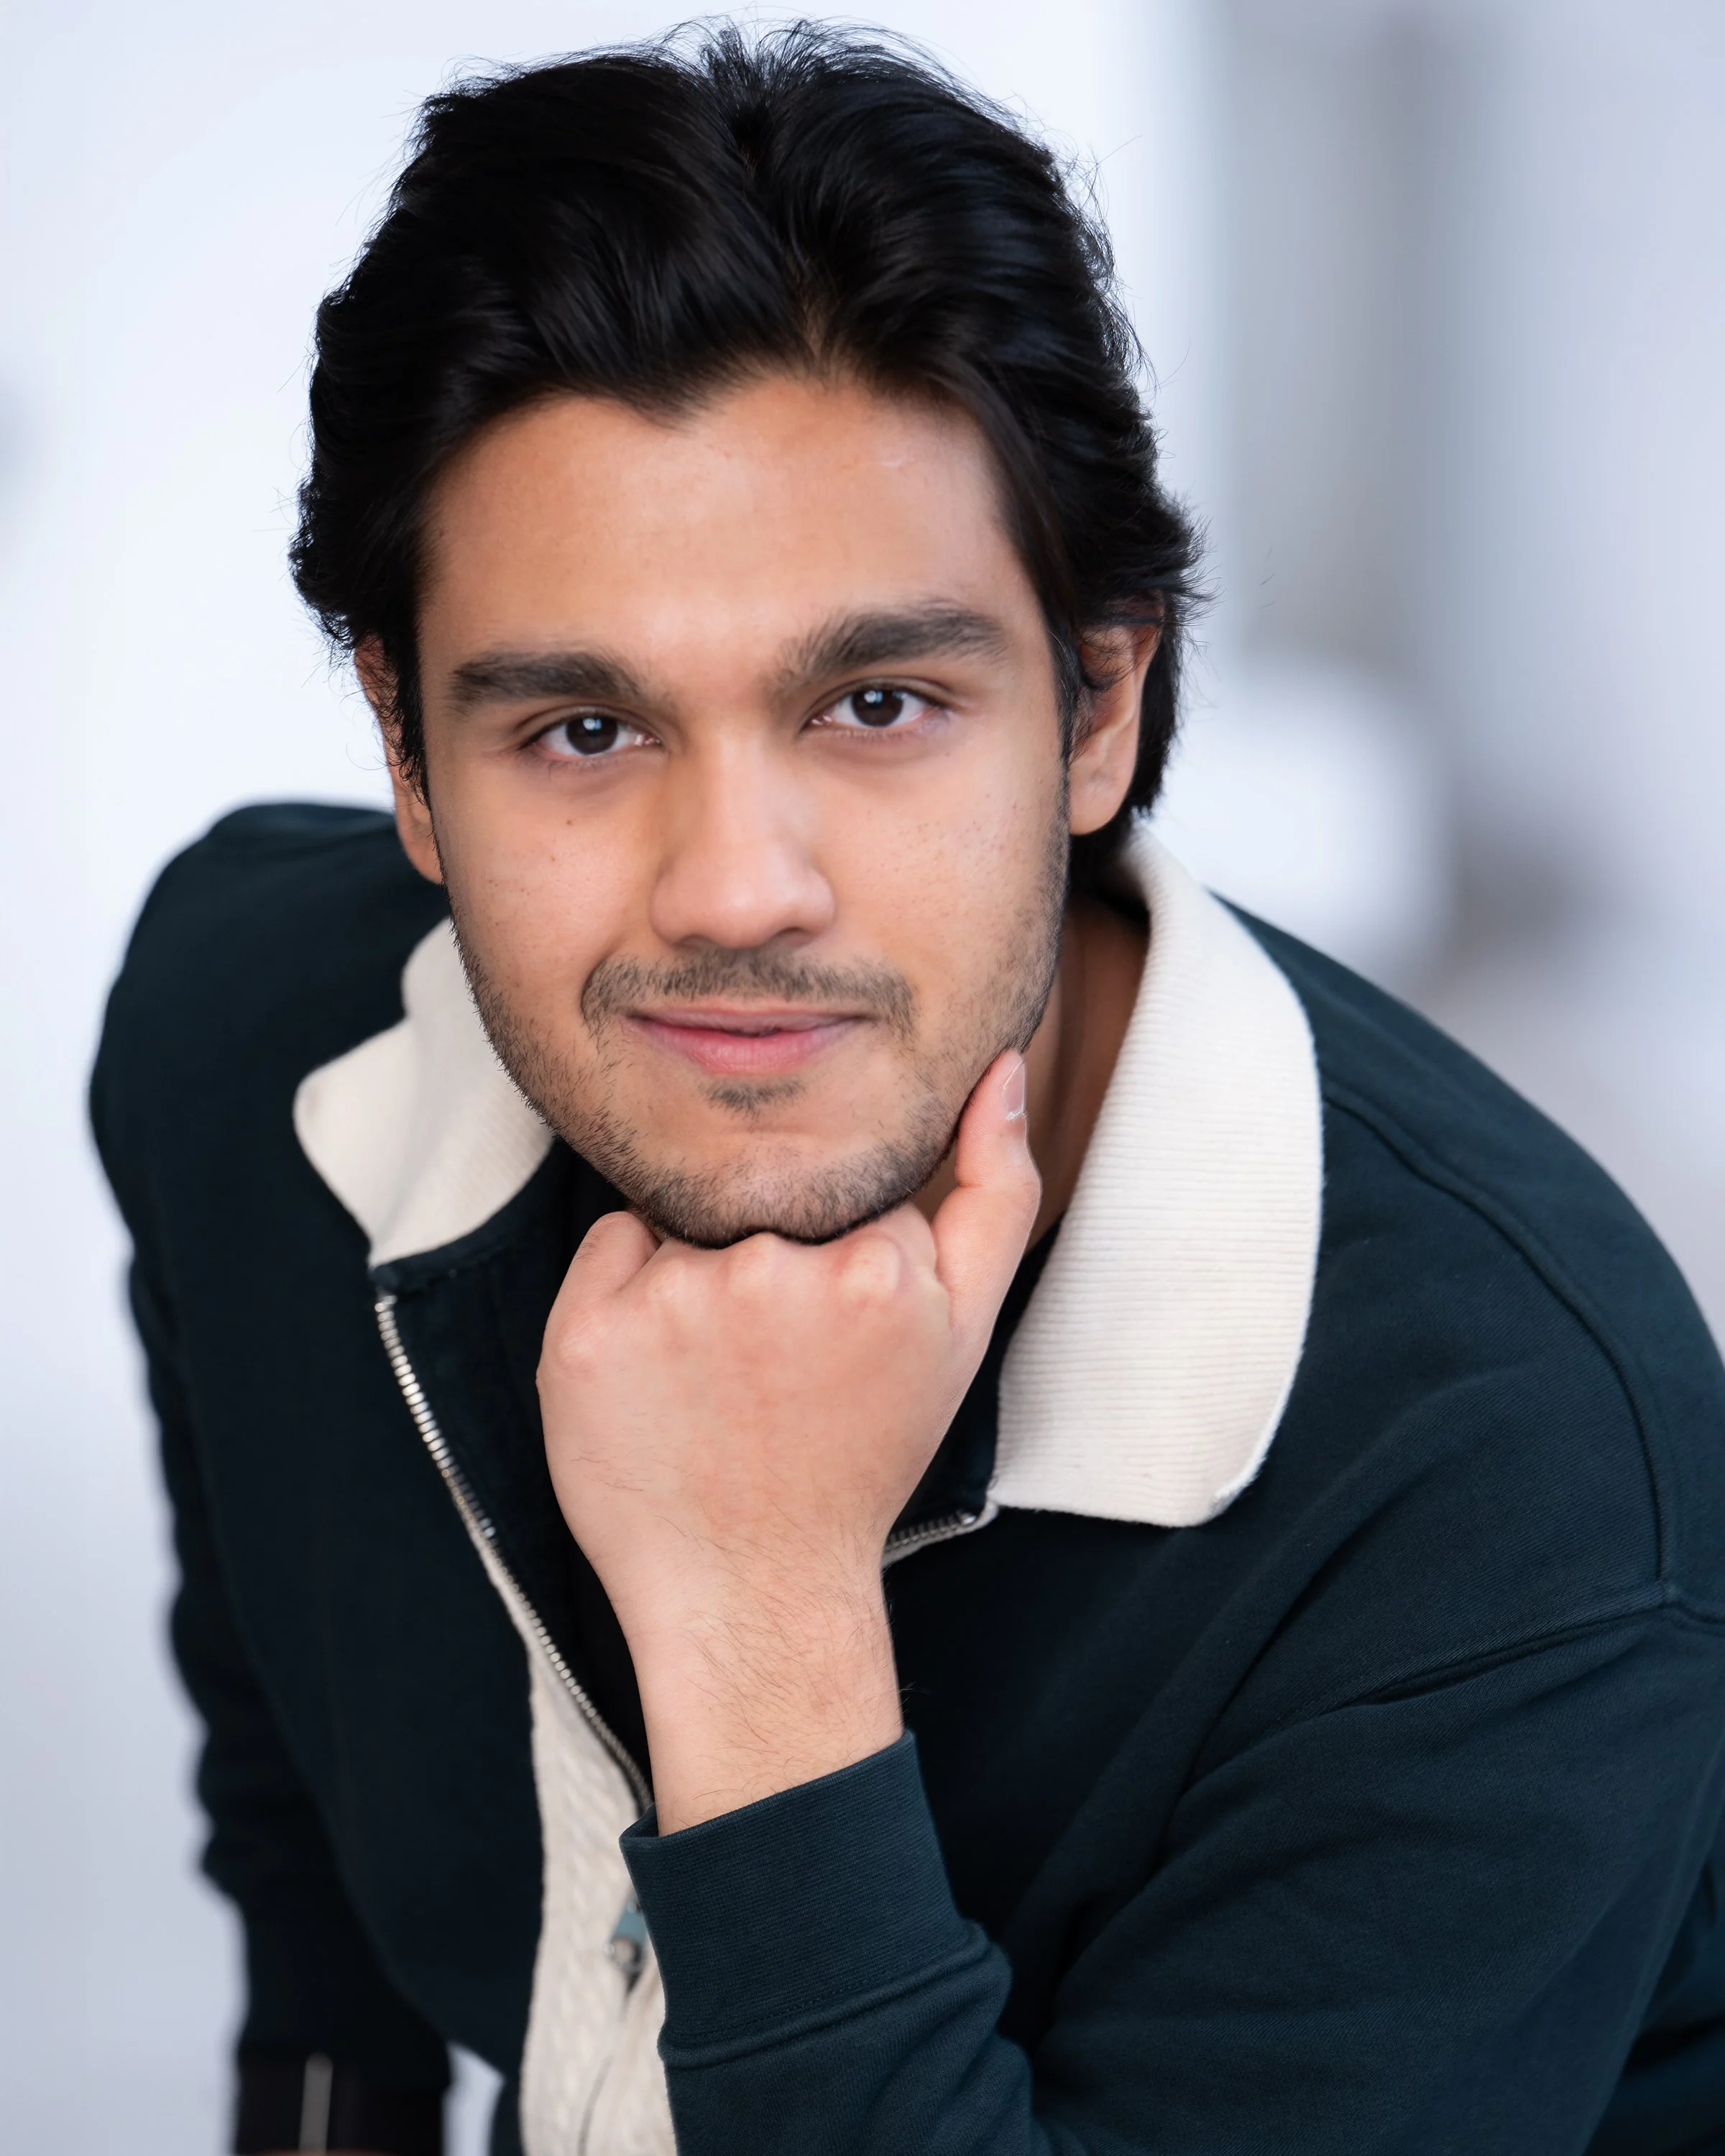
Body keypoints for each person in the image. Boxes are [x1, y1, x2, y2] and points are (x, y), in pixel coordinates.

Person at [91, 23, 1725, 2156]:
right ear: (405, 755)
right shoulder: (253, 1035)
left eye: (875, 702)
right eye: (580, 729)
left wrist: (756, 1604)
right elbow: (306, 1870)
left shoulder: (1510, 1498)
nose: (738, 894)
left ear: (1098, 710)